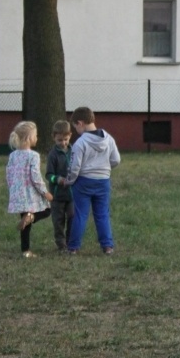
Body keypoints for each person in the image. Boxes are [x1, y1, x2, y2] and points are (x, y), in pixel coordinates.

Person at [62, 107, 121, 255]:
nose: (76, 131)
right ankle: (107, 246)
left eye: (75, 127)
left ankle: (73, 247)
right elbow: (116, 160)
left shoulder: (80, 143)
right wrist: (105, 169)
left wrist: (69, 181)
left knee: (81, 214)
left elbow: (74, 167)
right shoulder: (108, 139)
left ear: (80, 123)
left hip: (83, 182)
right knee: (102, 214)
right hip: (103, 181)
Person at [6, 121, 53, 258]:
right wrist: (45, 193)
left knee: (25, 224)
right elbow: (35, 177)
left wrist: (12, 190)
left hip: (18, 193)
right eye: (36, 135)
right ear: (29, 138)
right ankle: (32, 217)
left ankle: (25, 251)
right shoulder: (33, 156)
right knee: (47, 210)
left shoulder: (13, 155)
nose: (37, 138)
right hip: (31, 193)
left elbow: (9, 174)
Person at [45, 120, 74, 252]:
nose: (63, 143)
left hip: (72, 193)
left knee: (73, 217)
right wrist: (57, 179)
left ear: (70, 136)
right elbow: (48, 175)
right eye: (59, 140)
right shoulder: (53, 155)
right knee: (58, 221)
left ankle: (70, 242)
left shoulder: (74, 151)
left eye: (65, 139)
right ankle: (61, 245)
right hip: (57, 195)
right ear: (54, 138)